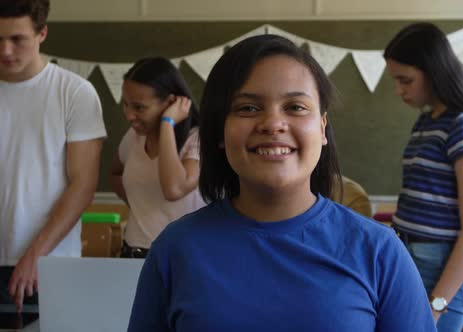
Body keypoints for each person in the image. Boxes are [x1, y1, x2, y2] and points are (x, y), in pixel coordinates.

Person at [128, 34, 436, 332]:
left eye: (295, 107)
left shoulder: (379, 250)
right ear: (220, 131)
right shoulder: (175, 248)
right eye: (248, 108)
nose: (273, 124)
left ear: (322, 127)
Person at [384, 22, 463, 331]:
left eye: (405, 80)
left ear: (433, 71)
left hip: (443, 268)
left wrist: (437, 305)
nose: (399, 91)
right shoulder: (424, 122)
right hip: (408, 255)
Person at [0, 0, 106, 312]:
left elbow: (83, 184)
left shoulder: (74, 92)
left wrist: (36, 254)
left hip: (48, 262)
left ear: (42, 33)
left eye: (17, 39)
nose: (6, 51)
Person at [109, 57, 205, 258]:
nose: (129, 115)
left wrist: (167, 123)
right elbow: (114, 173)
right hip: (135, 253)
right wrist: (138, 204)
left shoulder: (196, 139)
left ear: (171, 102)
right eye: (126, 104)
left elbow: (174, 189)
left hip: (184, 257)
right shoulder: (133, 138)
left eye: (139, 107)